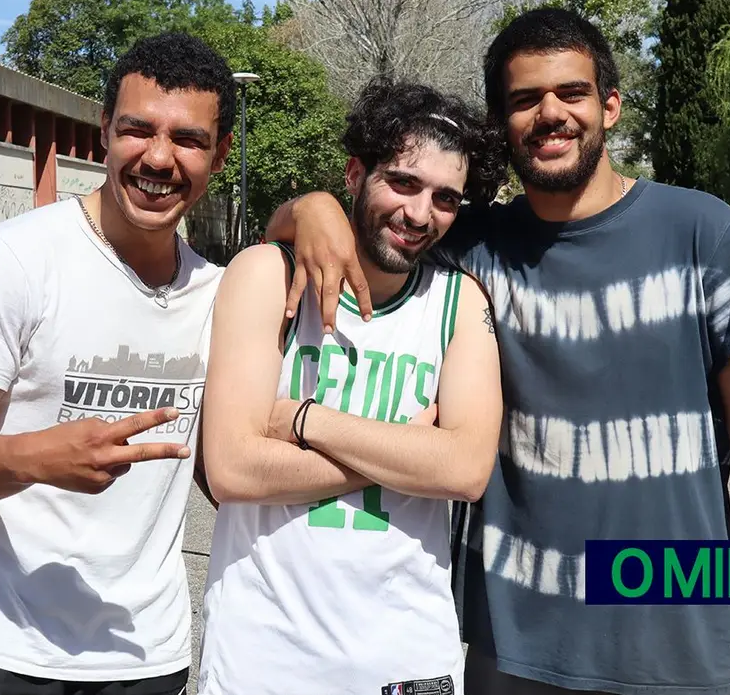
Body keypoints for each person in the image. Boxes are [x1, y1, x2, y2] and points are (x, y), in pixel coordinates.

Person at [264, 8, 730, 695]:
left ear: (611, 106)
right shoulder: (470, 244)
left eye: (572, 93)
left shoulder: (702, 232)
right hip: (516, 645)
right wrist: (313, 206)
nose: (550, 114)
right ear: (504, 125)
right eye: (525, 100)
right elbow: (368, 220)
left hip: (680, 642)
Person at [0, 31, 234, 695]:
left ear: (220, 155)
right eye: (137, 129)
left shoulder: (219, 296)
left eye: (189, 139)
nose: (159, 158)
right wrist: (37, 457)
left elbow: (223, 469)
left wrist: (309, 212)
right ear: (104, 129)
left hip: (142, 654)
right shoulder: (11, 261)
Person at [196, 78, 507, 695]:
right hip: (261, 660)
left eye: (446, 198)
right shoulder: (269, 276)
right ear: (355, 174)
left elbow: (467, 470)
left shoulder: (458, 303)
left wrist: (307, 421)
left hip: (407, 663)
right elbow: (232, 470)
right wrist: (408, 453)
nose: (420, 214)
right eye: (404, 182)